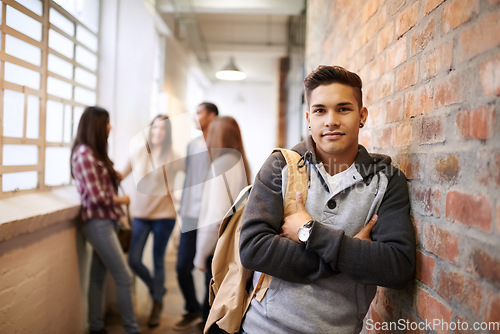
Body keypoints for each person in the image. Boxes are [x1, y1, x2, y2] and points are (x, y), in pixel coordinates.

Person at [239, 65, 416, 333]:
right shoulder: (280, 166)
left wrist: (310, 233)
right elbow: (253, 248)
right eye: (321, 110)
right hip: (263, 327)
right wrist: (347, 253)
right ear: (309, 118)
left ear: (362, 115)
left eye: (343, 109)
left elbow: (397, 266)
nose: (331, 120)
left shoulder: (387, 180)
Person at [71, 106, 140, 334]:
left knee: (97, 277)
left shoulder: (94, 153)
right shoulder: (83, 155)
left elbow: (109, 180)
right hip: (97, 223)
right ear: (97, 125)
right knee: (124, 276)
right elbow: (98, 196)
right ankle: (132, 329)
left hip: (105, 222)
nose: (110, 127)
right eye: (107, 122)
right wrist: (123, 200)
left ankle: (95, 327)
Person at [121, 115, 183, 328]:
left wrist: (179, 195)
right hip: (140, 214)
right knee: (134, 260)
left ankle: (157, 305)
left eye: (162, 129)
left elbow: (194, 175)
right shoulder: (139, 151)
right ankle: (158, 289)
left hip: (164, 217)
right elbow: (120, 174)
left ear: (168, 133)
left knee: (158, 261)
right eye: (155, 128)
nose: (158, 133)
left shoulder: (174, 155)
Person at [193, 116, 251, 324]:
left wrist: (200, 254)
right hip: (232, 242)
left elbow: (215, 216)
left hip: (217, 245)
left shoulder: (220, 165)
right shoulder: (239, 161)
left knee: (211, 302)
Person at [173, 102, 219, 331]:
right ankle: (191, 308)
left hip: (210, 217)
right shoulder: (192, 145)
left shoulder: (221, 145)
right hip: (190, 215)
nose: (195, 117)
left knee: (209, 271)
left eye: (199, 112)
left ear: (212, 116)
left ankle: (206, 314)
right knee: (182, 266)